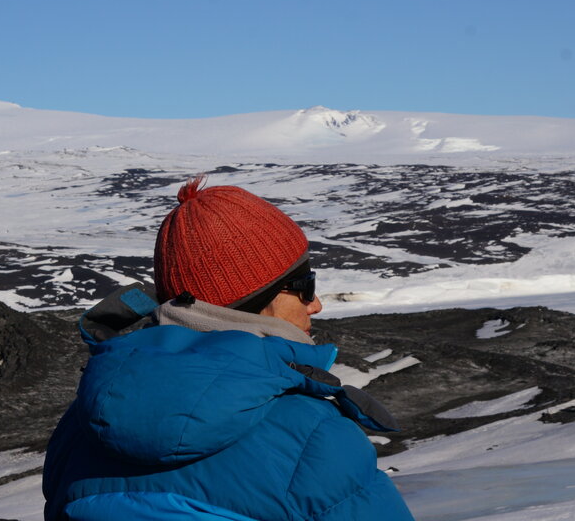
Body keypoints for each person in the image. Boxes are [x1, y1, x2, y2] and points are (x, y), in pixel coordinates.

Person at [42, 177, 415, 520]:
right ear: (256, 298)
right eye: (305, 284)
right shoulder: (314, 437)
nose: (315, 304)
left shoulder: (80, 427)